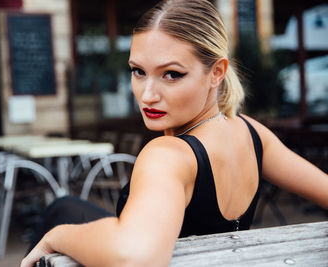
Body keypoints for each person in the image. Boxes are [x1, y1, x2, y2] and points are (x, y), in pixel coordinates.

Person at [21, 0, 328, 266]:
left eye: (171, 74)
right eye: (138, 71)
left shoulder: (168, 155)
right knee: (63, 207)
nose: (148, 95)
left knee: (58, 215)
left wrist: (57, 237)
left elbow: (135, 257)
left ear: (217, 72)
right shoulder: (252, 133)